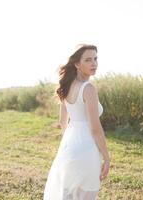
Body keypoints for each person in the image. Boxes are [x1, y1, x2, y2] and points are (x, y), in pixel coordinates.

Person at [43, 44, 111, 199]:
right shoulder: (88, 89)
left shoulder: (66, 87)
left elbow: (62, 121)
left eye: (95, 58)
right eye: (88, 60)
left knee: (67, 194)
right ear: (77, 64)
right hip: (87, 148)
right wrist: (106, 157)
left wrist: (69, 143)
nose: (94, 63)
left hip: (69, 145)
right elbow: (95, 128)